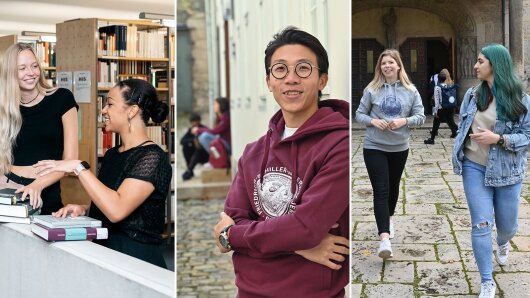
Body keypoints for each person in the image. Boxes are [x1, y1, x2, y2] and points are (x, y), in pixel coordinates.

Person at [213, 27, 349, 297]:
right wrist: (299, 245)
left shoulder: (339, 145)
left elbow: (305, 227)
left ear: (322, 80)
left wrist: (233, 236)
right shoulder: (252, 153)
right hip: (248, 292)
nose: (291, 79)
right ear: (269, 81)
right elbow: (236, 217)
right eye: (280, 70)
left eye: (303, 69)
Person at [34, 79, 172, 268]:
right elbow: (113, 203)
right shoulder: (112, 155)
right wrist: (85, 209)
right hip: (105, 253)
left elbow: (116, 210)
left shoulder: (152, 158)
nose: (103, 110)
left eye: (110, 104)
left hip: (135, 260)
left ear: (131, 111)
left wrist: (78, 167)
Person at [452, 44, 530, 298]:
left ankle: (503, 242)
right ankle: (487, 281)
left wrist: (498, 139)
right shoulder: (473, 95)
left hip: (507, 172)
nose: (475, 66)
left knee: (507, 226)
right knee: (481, 224)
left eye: (480, 61)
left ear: (495, 64)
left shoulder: (520, 99)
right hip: (474, 167)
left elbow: (527, 136)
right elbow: (463, 125)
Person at [355, 49, 425, 259]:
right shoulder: (372, 90)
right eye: (383, 63)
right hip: (374, 145)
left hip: (399, 147)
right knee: (381, 190)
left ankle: (389, 218)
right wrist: (373, 121)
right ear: (380, 67)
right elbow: (359, 114)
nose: (387, 66)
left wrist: (405, 121)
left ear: (398, 66)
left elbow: (421, 116)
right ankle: (384, 238)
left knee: (393, 187)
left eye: (390, 63)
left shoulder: (410, 90)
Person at [0, 42, 78, 213]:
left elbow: (70, 161)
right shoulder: (3, 108)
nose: (31, 73)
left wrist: (38, 184)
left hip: (47, 190)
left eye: (34, 66)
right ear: (10, 73)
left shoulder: (62, 99)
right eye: (22, 68)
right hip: (8, 188)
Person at [424, 69, 458, 144]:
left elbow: (437, 100)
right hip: (449, 108)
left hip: (441, 108)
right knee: (451, 122)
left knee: (436, 123)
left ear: (438, 79)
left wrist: (435, 111)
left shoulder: (437, 87)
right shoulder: (448, 86)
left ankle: (432, 139)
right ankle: (461, 132)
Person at [180, 112, 209, 180]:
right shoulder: (191, 130)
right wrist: (193, 140)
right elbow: (182, 141)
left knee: (198, 150)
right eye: (193, 121)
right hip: (194, 155)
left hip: (204, 155)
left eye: (196, 121)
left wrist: (198, 141)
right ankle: (190, 170)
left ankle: (189, 170)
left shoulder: (204, 128)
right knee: (185, 147)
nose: (195, 123)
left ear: (199, 121)